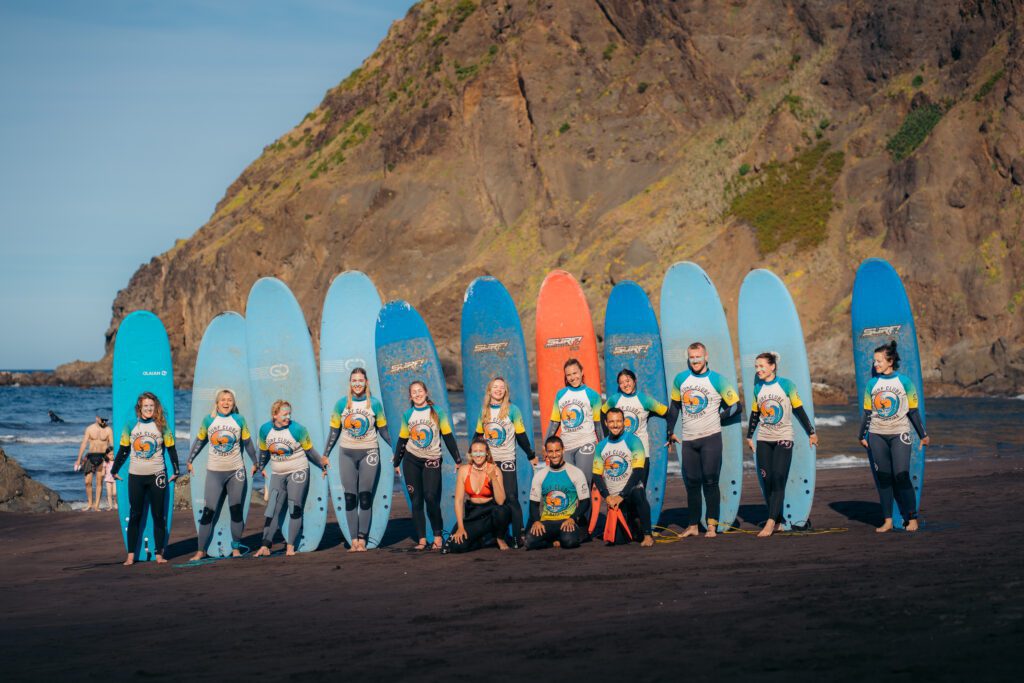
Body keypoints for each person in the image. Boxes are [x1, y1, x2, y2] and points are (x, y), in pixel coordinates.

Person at [665, 342, 742, 538]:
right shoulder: (680, 379)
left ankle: (711, 525)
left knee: (710, 480)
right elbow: (674, 407)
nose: (696, 360)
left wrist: (719, 417)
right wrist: (669, 432)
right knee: (691, 482)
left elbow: (735, 406)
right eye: (692, 357)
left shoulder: (717, 380)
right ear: (688, 358)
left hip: (711, 438)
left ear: (706, 356)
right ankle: (692, 525)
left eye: (698, 356)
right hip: (689, 440)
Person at [858, 341, 930, 533]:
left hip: (900, 433)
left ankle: (912, 518)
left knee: (901, 475)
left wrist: (923, 435)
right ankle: (888, 520)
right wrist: (862, 435)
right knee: (883, 477)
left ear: (890, 361)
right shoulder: (872, 384)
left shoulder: (905, 382)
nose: (875, 365)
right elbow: (867, 412)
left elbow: (913, 411)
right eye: (874, 361)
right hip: (876, 435)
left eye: (879, 361)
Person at [745, 352, 818, 537]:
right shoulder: (757, 388)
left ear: (772, 366)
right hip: (763, 438)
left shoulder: (786, 385)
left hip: (784, 437)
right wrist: (749, 436)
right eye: (756, 367)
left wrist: (811, 432)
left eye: (762, 366)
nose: (758, 370)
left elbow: (799, 409)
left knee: (778, 477)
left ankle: (770, 523)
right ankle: (777, 521)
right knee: (767, 479)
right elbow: (755, 415)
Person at [323, 368, 392, 552]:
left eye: (361, 380)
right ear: (350, 382)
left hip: (369, 452)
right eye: (354, 380)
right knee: (350, 497)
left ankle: (362, 539)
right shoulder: (341, 404)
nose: (357, 383)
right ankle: (353, 540)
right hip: (346, 453)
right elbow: (334, 432)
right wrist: (325, 454)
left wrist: (397, 450)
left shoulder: (374, 404)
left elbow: (384, 430)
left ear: (366, 382)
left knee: (365, 497)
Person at [186, 389, 257, 561]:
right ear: (217, 403)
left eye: (229, 400)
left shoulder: (239, 420)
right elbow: (200, 440)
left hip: (236, 471)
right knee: (208, 512)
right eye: (223, 400)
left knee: (236, 510)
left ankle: (236, 549)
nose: (226, 403)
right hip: (214, 472)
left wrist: (256, 462)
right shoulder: (208, 420)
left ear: (233, 404)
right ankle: (200, 551)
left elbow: (247, 443)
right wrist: (189, 460)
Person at [110, 393, 179, 565]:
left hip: (157, 475)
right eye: (145, 406)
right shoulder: (131, 425)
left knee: (158, 515)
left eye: (151, 406)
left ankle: (159, 554)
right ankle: (131, 555)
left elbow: (171, 449)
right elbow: (124, 449)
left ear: (156, 408)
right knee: (135, 515)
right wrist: (114, 469)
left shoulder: (161, 425)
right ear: (139, 407)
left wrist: (176, 470)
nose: (149, 409)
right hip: (136, 476)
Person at [392, 381, 463, 550]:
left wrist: (458, 460)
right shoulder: (408, 415)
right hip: (411, 460)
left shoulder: (437, 412)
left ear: (426, 392)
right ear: (410, 396)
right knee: (416, 500)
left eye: (420, 391)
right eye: (414, 392)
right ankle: (422, 539)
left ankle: (437, 536)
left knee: (431, 497)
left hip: (432, 459)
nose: (417, 394)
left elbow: (448, 436)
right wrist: (396, 462)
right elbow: (402, 440)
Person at [253, 400, 329, 557]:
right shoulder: (265, 430)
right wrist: (260, 467)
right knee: (272, 509)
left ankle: (290, 546)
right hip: (278, 474)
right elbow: (263, 452)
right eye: (284, 414)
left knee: (295, 508)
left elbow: (310, 452)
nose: (288, 416)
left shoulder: (298, 429)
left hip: (298, 472)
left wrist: (323, 465)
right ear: (275, 415)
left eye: (289, 413)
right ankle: (265, 545)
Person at [473, 376, 536, 547]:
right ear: (489, 390)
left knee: (511, 497)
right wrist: (471, 456)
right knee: (491, 498)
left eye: (502, 387)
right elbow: (478, 436)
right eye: (495, 387)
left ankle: (518, 535)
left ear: (505, 391)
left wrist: (531, 455)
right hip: (489, 461)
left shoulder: (512, 410)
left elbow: (521, 435)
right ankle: (495, 535)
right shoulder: (484, 411)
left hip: (507, 459)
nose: (498, 390)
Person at [592, 408, 655, 547]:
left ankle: (647, 534)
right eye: (612, 421)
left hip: (630, 492)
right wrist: (607, 497)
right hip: (614, 499)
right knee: (618, 541)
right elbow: (596, 475)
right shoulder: (601, 446)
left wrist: (622, 495)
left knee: (639, 492)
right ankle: (632, 526)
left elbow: (638, 471)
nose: (615, 425)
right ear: (606, 423)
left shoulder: (633, 441)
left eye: (619, 421)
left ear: (624, 422)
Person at [544, 358, 603, 489]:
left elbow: (598, 424)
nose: (572, 377)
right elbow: (555, 422)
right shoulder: (561, 395)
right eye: (569, 374)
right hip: (567, 444)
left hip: (586, 442)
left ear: (582, 372)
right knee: (569, 486)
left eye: (575, 373)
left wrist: (603, 447)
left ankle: (586, 510)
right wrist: (546, 445)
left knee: (584, 484)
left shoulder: (593, 395)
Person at [602, 368, 669, 483]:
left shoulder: (644, 400)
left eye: (627, 381)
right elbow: (602, 412)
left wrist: (669, 432)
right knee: (621, 491)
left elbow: (666, 411)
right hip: (620, 451)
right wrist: (606, 437)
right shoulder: (615, 399)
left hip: (641, 451)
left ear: (634, 381)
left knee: (639, 489)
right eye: (621, 382)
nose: (625, 384)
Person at [445, 436, 511, 553]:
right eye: (475, 451)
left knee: (502, 511)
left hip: (492, 512)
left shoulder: (494, 469)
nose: (478, 455)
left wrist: (493, 479)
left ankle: (500, 538)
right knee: (455, 546)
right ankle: (484, 540)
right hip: (474, 514)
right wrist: (460, 527)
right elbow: (459, 501)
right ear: (470, 454)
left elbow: (501, 501)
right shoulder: (464, 470)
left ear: (487, 453)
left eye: (481, 451)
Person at [526, 436, 591, 550]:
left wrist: (573, 518)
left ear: (563, 450)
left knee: (569, 542)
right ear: (546, 453)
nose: (554, 455)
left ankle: (560, 539)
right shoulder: (540, 475)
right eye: (550, 451)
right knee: (529, 542)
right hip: (547, 521)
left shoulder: (576, 472)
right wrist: (537, 521)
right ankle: (554, 542)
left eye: (557, 451)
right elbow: (533, 504)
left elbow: (585, 502)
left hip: (567, 520)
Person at [75, 413, 113, 511]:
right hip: (90, 456)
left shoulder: (108, 430)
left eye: (106, 420)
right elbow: (83, 444)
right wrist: (79, 459)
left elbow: (112, 446)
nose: (104, 422)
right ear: (97, 418)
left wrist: (112, 460)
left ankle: (96, 506)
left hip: (102, 457)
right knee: (87, 482)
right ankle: (89, 504)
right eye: (102, 419)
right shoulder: (89, 429)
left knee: (99, 482)